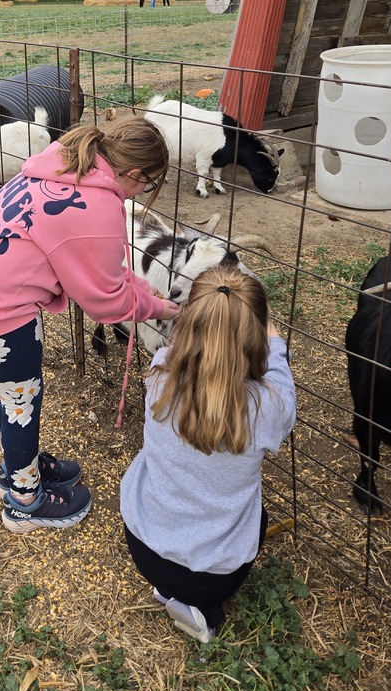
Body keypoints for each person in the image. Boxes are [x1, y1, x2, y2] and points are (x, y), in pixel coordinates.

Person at [0, 116, 181, 534]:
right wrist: (161, 309)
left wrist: (144, 289)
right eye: (149, 182)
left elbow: (107, 272)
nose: (144, 191)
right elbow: (106, 301)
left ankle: (17, 467)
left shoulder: (66, 161)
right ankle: (24, 501)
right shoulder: (98, 206)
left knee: (13, 391)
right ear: (136, 174)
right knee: (22, 398)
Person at [120, 266, 296, 643]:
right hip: (215, 575)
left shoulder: (160, 374)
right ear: (256, 338)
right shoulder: (269, 407)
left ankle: (168, 590)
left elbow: (189, 348)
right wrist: (274, 340)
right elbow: (278, 375)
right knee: (256, 512)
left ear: (188, 322)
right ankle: (206, 612)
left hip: (142, 545)